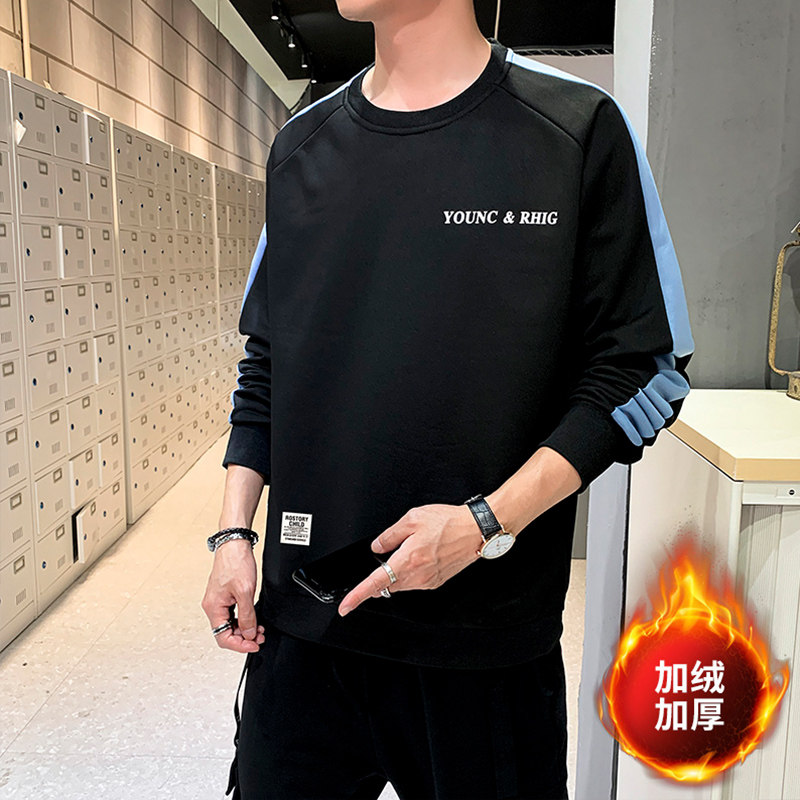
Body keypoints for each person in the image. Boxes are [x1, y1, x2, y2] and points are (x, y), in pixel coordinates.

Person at [201, 0, 695, 797]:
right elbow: (269, 365)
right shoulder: (302, 144)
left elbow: (643, 369)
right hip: (304, 634)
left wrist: (485, 523)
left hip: (484, 647)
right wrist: (233, 534)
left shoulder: (574, 127)